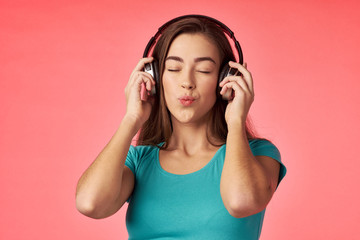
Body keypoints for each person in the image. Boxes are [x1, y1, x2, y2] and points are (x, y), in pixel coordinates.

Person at [76, 15, 286, 240]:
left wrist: (235, 120)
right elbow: (90, 204)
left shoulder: (258, 154)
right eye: (174, 69)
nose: (187, 82)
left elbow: (241, 201)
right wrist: (131, 119)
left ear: (226, 78)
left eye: (204, 70)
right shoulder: (138, 161)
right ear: (154, 77)